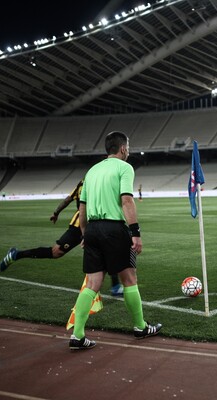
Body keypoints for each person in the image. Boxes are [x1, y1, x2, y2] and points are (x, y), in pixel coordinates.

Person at [69, 131, 161, 350]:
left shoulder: (92, 171)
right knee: (129, 278)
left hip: (92, 229)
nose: (128, 151)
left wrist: (84, 233)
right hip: (114, 229)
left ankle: (78, 335)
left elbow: (82, 206)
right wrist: (135, 232)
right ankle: (140, 327)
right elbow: (127, 200)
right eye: (127, 147)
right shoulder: (125, 168)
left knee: (92, 284)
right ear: (122, 149)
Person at [0, 179, 123, 297]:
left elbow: (69, 199)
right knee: (56, 252)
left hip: (95, 223)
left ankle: (115, 286)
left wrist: (56, 213)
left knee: (107, 249)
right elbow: (69, 199)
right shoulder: (90, 182)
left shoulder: (88, 181)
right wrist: (56, 212)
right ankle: (16, 255)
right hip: (79, 225)